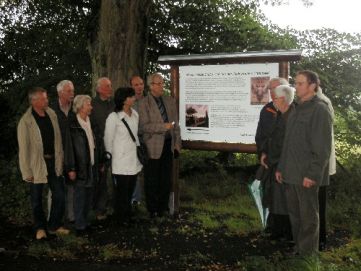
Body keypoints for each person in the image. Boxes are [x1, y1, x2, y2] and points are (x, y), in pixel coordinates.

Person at [276, 70, 332, 256]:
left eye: (300, 83)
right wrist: (281, 167)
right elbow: (288, 142)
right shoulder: (298, 107)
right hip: (290, 173)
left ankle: (308, 255)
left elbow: (322, 148)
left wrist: (313, 174)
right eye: (296, 83)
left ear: (312, 86)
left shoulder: (320, 109)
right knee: (295, 215)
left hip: (306, 174)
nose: (296, 86)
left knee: (309, 217)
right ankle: (299, 249)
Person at [17, 87, 69, 240]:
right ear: (34, 101)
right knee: (36, 199)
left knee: (60, 195)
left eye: (46, 98)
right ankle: (40, 228)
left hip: (53, 161)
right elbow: (24, 149)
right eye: (44, 98)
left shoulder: (51, 114)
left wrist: (61, 159)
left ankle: (53, 226)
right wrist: (26, 171)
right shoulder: (25, 122)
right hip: (36, 165)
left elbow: (58, 140)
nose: (47, 100)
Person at [138, 73, 181, 218]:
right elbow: (143, 127)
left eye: (162, 83)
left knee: (165, 179)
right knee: (152, 180)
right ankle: (153, 210)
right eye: (159, 83)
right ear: (151, 86)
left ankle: (163, 208)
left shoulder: (169, 101)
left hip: (168, 145)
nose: (162, 85)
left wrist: (177, 145)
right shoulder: (144, 103)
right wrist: (163, 127)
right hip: (152, 147)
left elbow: (176, 125)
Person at [259, 85, 295, 241]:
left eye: (275, 98)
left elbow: (288, 145)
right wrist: (265, 153)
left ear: (283, 99)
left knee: (284, 202)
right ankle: (277, 231)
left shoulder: (292, 117)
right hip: (274, 162)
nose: (272, 101)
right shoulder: (281, 114)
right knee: (275, 199)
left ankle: (288, 235)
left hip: (284, 165)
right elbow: (272, 138)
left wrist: (279, 164)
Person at [104, 87, 143, 224]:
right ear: (124, 100)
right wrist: (109, 158)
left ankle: (127, 214)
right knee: (121, 191)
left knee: (130, 189)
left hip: (133, 160)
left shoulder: (135, 115)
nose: (134, 98)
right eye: (131, 96)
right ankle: (120, 217)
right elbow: (108, 139)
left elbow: (136, 137)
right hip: (119, 162)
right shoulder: (113, 117)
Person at [65, 95, 97, 235]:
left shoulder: (91, 122)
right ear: (80, 106)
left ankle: (85, 222)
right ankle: (79, 226)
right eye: (88, 104)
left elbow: (96, 143)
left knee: (89, 195)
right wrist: (71, 168)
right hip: (79, 166)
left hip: (91, 164)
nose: (91, 107)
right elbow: (69, 148)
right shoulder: (72, 124)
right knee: (79, 196)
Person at [50, 80, 76, 223]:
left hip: (72, 153)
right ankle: (53, 219)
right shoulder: (51, 109)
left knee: (72, 186)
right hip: (56, 154)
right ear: (60, 93)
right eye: (69, 91)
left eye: (72, 91)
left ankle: (71, 217)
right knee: (56, 189)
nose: (72, 94)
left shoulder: (75, 109)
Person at [90, 77, 114, 221]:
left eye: (110, 86)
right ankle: (98, 210)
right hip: (99, 150)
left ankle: (114, 207)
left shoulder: (114, 104)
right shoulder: (92, 105)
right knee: (100, 180)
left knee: (117, 178)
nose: (110, 89)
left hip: (116, 148)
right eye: (107, 86)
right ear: (99, 89)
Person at [316, 86, 337, 250]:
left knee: (318, 203)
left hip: (319, 165)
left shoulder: (321, 104)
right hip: (318, 163)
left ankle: (321, 239)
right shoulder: (323, 101)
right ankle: (319, 238)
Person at [255, 77, 289, 157]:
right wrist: (262, 153)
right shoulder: (266, 109)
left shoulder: (295, 109)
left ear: (285, 90)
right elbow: (260, 136)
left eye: (275, 88)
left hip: (288, 161)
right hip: (269, 160)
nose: (272, 92)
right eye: (270, 89)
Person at [130, 75, 145, 205]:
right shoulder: (128, 103)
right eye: (136, 85)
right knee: (134, 170)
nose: (139, 87)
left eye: (141, 84)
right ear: (131, 87)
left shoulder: (148, 101)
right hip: (133, 142)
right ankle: (135, 199)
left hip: (148, 141)